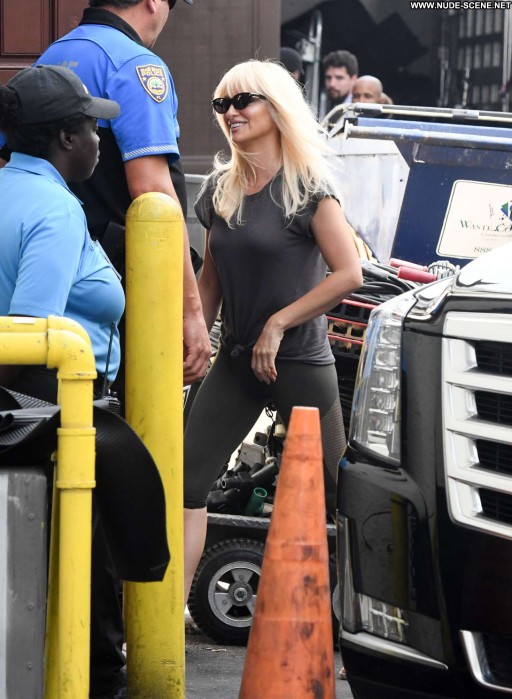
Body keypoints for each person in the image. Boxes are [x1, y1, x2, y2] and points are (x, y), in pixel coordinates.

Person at [183, 60, 363, 602]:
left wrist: (279, 324)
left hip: (300, 362)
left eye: (243, 101)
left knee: (339, 495)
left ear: (276, 107)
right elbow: (210, 282)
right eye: (222, 104)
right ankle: (167, 617)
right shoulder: (220, 189)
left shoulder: (309, 189)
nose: (231, 113)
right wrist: (192, 340)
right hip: (236, 361)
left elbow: (349, 273)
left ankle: (357, 618)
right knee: (186, 484)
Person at [0, 65, 126, 699]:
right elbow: (32, 333)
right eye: (93, 128)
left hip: (30, 401)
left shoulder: (9, 188)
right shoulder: (53, 208)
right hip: (52, 402)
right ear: (65, 138)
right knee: (84, 551)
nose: (101, 141)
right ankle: (98, 678)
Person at [29, 0, 211, 391]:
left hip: (43, 273)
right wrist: (190, 311)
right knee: (129, 414)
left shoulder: (48, 58)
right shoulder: (136, 65)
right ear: (153, 2)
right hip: (118, 288)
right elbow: (153, 194)